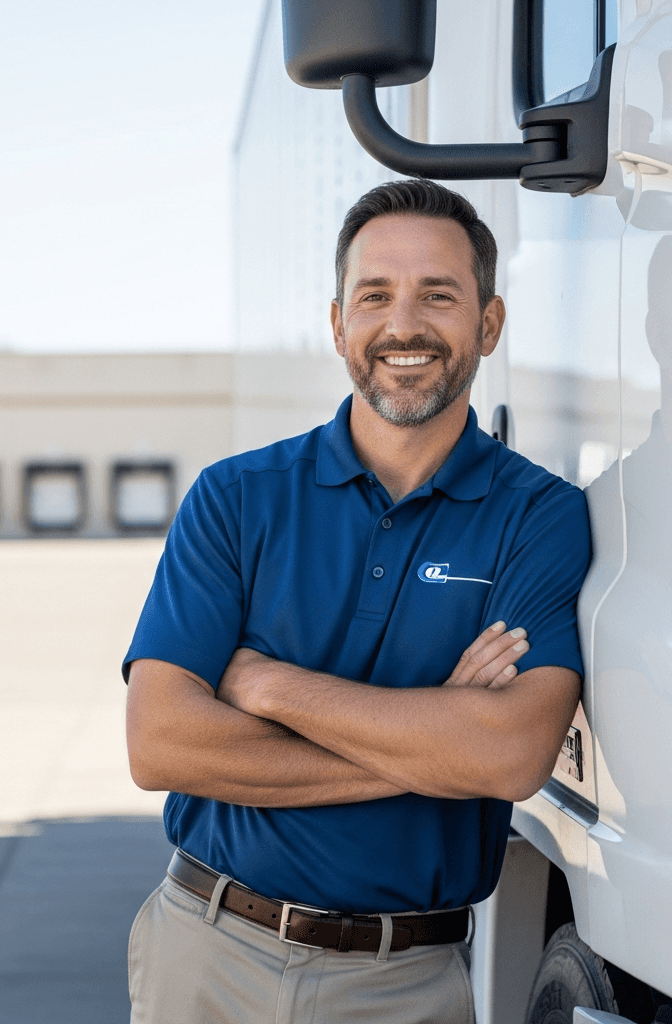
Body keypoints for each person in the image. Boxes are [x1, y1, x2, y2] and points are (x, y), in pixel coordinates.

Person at [122, 178, 591, 1024]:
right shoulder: (235, 498)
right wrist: (437, 738)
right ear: (339, 324)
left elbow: (511, 756)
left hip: (404, 984)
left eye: (438, 295)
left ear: (488, 323)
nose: (403, 325)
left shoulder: (541, 515)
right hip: (205, 955)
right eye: (375, 296)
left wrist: (272, 690)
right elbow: (161, 742)